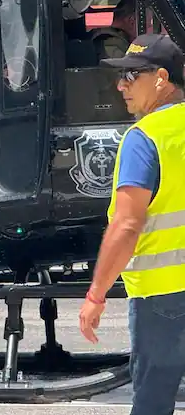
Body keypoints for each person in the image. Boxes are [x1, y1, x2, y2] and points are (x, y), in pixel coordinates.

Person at [79, 33, 185, 415]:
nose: (120, 85)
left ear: (160, 78)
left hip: (163, 297)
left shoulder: (145, 139)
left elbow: (126, 226)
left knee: (153, 404)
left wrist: (96, 294)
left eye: (130, 76)